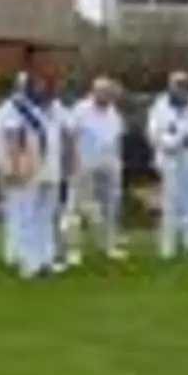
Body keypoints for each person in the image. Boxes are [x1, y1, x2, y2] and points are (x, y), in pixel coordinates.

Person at [0, 72, 62, 280]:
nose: (40, 89)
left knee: (45, 217)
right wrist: (13, 169)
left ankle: (45, 259)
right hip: (25, 170)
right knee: (26, 216)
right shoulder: (12, 109)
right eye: (35, 85)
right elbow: (13, 139)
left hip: (47, 168)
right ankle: (29, 264)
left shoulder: (42, 108)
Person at [146, 71, 188, 261]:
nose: (181, 88)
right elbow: (153, 134)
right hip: (170, 160)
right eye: (177, 85)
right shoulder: (159, 107)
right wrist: (174, 141)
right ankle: (168, 247)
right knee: (170, 204)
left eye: (185, 85)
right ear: (170, 86)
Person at [64, 77, 127, 265]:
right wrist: (71, 162)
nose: (106, 96)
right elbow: (69, 136)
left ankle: (109, 245)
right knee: (75, 209)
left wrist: (118, 163)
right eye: (103, 92)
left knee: (110, 207)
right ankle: (73, 249)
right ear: (94, 91)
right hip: (83, 165)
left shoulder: (114, 113)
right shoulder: (80, 110)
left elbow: (117, 140)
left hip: (109, 165)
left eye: (109, 93)